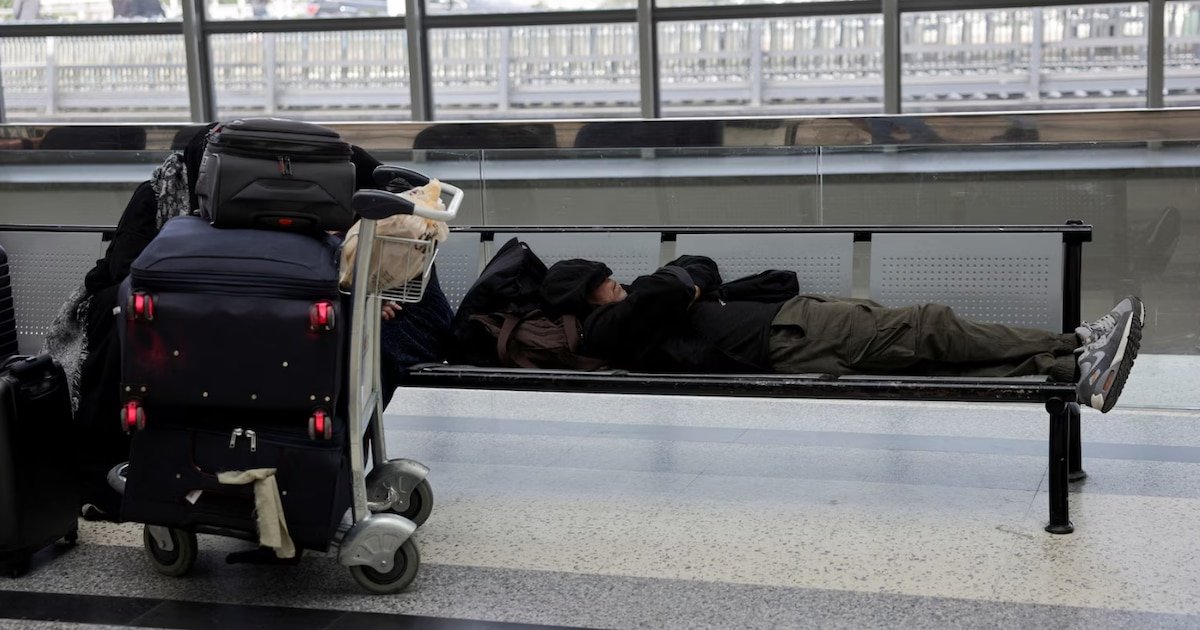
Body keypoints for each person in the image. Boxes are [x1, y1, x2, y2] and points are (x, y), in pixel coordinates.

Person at [539, 255, 1144, 414]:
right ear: (580, 300)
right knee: (929, 327)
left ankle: (1071, 374)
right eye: (598, 282)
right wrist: (682, 284)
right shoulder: (606, 328)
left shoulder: (626, 309)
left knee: (927, 358)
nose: (611, 280)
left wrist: (687, 282)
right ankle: (1074, 343)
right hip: (790, 335)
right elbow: (673, 285)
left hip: (794, 329)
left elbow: (696, 267)